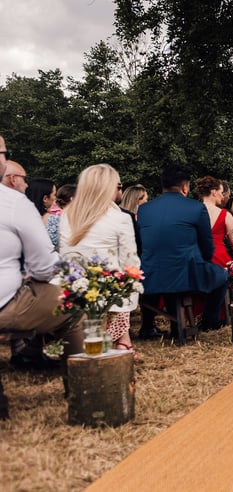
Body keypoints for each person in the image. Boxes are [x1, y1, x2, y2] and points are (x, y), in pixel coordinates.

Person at [0, 134, 84, 362]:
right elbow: (44, 267)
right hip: (5, 304)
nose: (27, 185)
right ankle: (81, 379)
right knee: (73, 305)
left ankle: (30, 351)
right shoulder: (15, 203)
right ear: (13, 179)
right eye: (5, 154)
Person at [137, 164, 229, 337]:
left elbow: (141, 245)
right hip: (185, 275)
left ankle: (147, 326)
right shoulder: (196, 208)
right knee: (223, 276)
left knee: (159, 270)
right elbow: (207, 248)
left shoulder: (144, 209)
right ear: (185, 186)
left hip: (149, 275)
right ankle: (209, 321)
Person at [59, 164, 140, 353]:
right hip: (109, 293)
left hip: (75, 290)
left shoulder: (67, 214)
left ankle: (120, 340)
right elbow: (130, 261)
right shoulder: (120, 218)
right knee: (127, 277)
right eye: (117, 186)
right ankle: (120, 339)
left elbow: (65, 256)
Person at [195, 175, 233, 328]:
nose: (223, 196)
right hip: (219, 258)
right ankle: (220, 314)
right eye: (221, 192)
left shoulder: (192, 211)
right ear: (213, 192)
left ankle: (196, 314)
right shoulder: (225, 215)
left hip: (197, 256)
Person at [26, 178, 59, 247]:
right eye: (54, 194)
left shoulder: (18, 217)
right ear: (45, 198)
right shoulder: (53, 220)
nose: (55, 198)